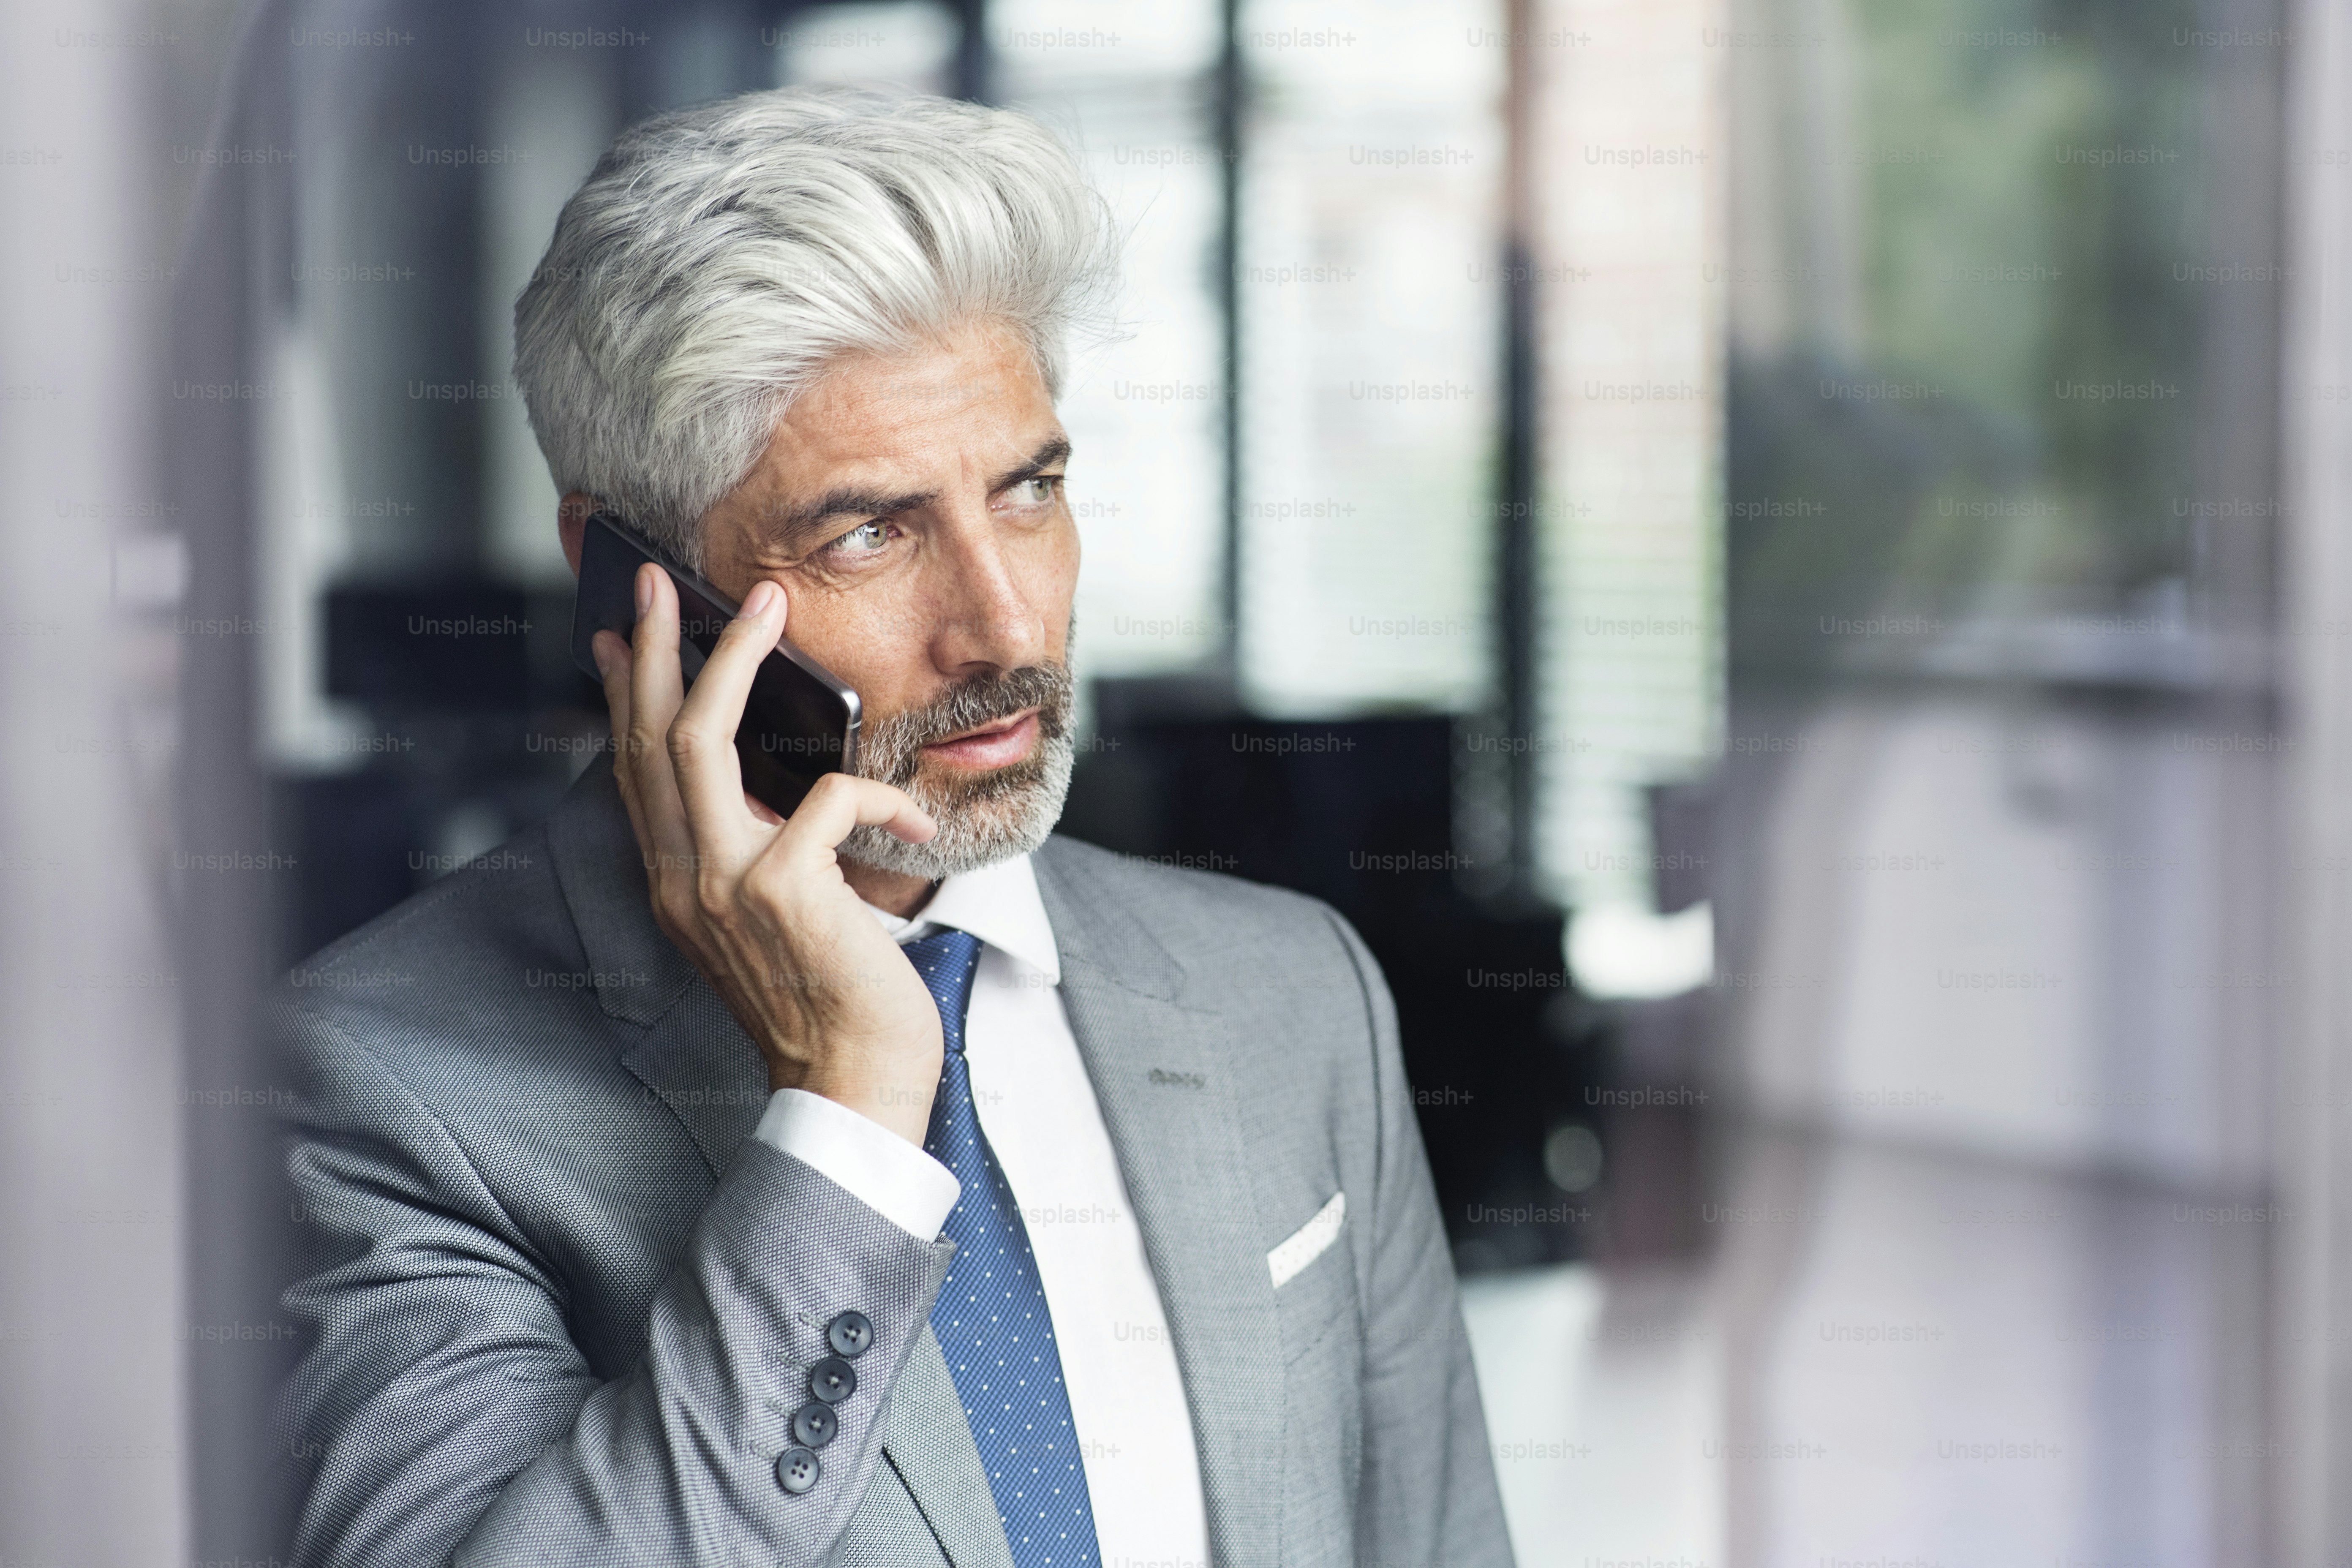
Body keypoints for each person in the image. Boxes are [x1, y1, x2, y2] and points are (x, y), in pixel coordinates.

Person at [277, 86, 1512, 1568]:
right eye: (871, 531)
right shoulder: (376, 1090)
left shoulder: (1291, 992)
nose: (1007, 629)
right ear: (632, 582)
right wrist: (850, 1114)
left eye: (1030, 491)